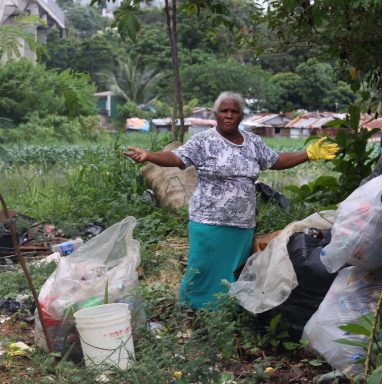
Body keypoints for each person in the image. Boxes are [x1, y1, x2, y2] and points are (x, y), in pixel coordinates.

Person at [124, 91, 339, 309]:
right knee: (202, 268)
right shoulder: (204, 140)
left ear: (241, 115)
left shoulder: (253, 142)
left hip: (242, 224)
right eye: (224, 111)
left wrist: (309, 154)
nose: (229, 115)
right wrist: (149, 155)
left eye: (234, 111)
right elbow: (176, 157)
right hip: (208, 222)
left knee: (232, 271)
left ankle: (224, 312)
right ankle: (190, 310)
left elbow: (276, 160)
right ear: (216, 115)